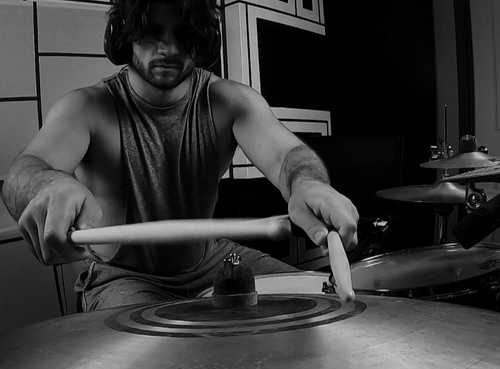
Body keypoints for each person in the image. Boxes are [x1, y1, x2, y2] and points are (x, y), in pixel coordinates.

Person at [1, 0, 358, 312]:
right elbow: (25, 171)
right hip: (123, 277)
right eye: (153, 32)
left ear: (200, 38)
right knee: (160, 361)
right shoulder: (87, 108)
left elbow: (288, 156)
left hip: (212, 260)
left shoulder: (229, 101)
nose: (169, 48)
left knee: (326, 306)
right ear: (127, 32)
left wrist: (306, 182)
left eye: (184, 34)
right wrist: (46, 184)